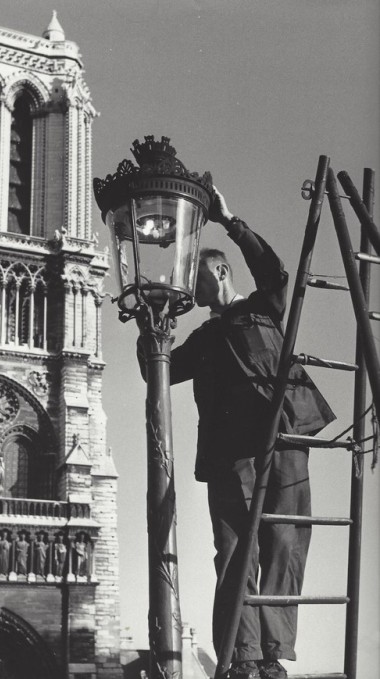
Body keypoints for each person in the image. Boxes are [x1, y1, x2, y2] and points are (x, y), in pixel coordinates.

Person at [138, 188, 335, 679]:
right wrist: (151, 319)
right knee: (233, 556)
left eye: (196, 276)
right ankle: (242, 658)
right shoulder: (202, 339)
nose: (190, 285)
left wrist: (229, 220)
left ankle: (272, 656)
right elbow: (155, 369)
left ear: (220, 272)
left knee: (285, 547)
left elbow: (275, 270)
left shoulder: (262, 309)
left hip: (281, 445)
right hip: (230, 461)